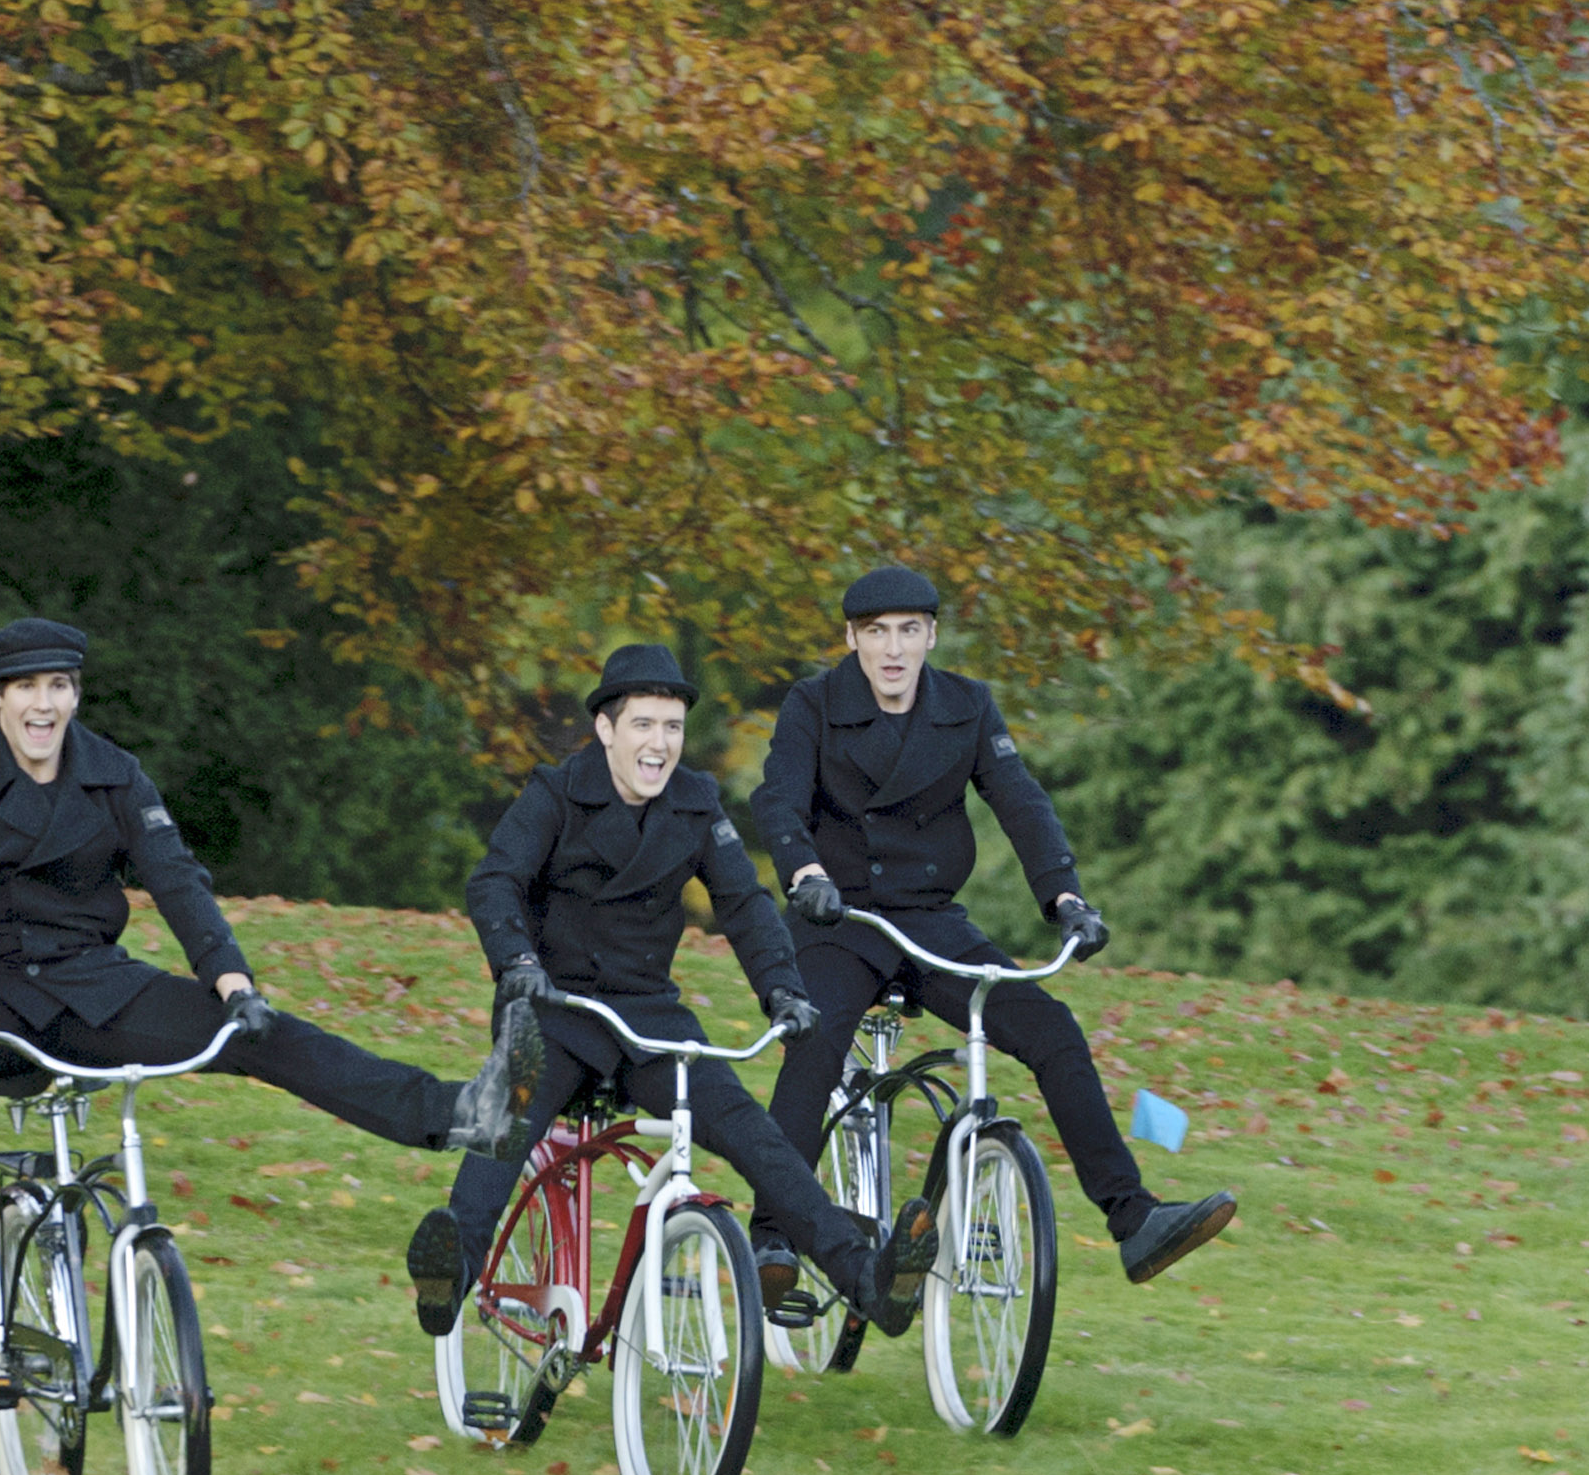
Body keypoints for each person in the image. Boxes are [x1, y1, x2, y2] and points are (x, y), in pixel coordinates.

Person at [0, 617, 547, 1187]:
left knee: (265, 1036)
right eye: (27, 688)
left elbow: (178, 882)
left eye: (59, 686)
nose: (44, 704)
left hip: (100, 992)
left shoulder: (116, 775)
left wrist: (235, 985)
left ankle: (460, 1113)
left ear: (74, 695)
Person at [404, 643, 941, 1340]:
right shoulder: (556, 792)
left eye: (673, 727)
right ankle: (453, 1274)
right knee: (508, 1113)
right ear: (606, 728)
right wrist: (516, 958)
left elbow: (744, 904)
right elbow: (494, 881)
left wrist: (783, 988)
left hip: (648, 1017)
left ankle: (866, 1277)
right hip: (556, 1005)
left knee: (756, 1133)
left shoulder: (695, 801)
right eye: (644, 725)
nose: (659, 744)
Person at [750, 564, 1235, 1286]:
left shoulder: (967, 707)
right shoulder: (813, 704)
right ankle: (773, 1236)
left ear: (931, 635)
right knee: (815, 1045)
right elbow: (777, 799)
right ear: (851, 637)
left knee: (1052, 1029)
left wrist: (1065, 898)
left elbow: (1020, 800)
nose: (893, 649)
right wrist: (805, 875)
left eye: (908, 631)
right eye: (877, 633)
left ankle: (1134, 1219)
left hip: (930, 920)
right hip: (840, 916)